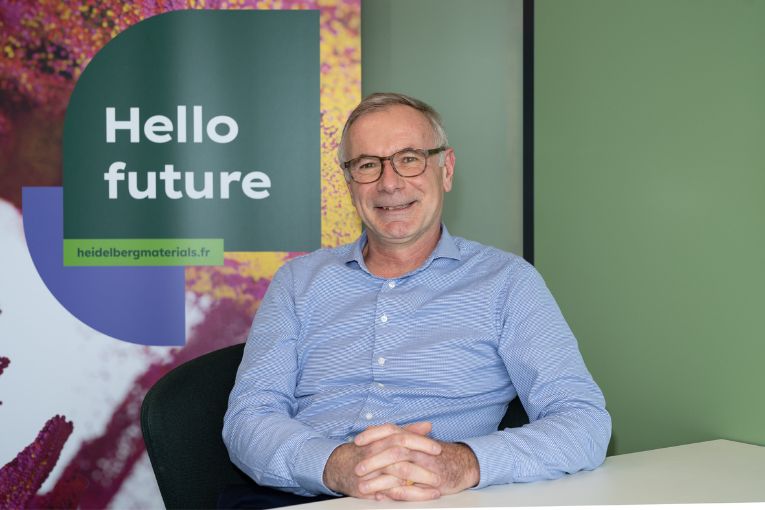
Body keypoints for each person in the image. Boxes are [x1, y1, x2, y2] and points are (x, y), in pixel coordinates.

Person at [222, 92, 611, 506]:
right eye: (368, 165)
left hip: (440, 499)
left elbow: (582, 422)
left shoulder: (507, 282)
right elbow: (249, 418)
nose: (390, 183)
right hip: (308, 496)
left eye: (410, 158)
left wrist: (462, 463)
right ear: (350, 183)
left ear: (446, 169)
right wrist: (335, 464)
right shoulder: (297, 282)